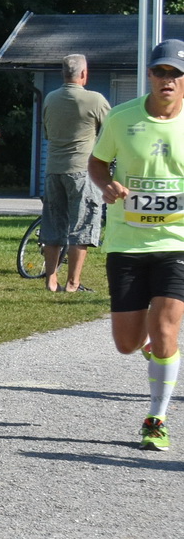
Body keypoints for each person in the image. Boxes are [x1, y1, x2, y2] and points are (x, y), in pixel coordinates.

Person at [87, 39, 184, 451]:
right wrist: (107, 185)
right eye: (161, 72)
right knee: (127, 344)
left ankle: (156, 419)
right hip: (127, 242)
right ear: (150, 75)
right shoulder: (122, 117)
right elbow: (96, 162)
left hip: (177, 242)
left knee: (166, 329)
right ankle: (154, 350)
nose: (168, 80)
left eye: (176, 74)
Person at [40, 54, 111, 293]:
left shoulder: (50, 98)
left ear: (63, 74)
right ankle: (73, 282)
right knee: (81, 226)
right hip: (82, 170)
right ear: (83, 74)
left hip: (53, 170)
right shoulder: (95, 99)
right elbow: (111, 132)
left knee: (53, 225)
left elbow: (47, 132)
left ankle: (51, 279)